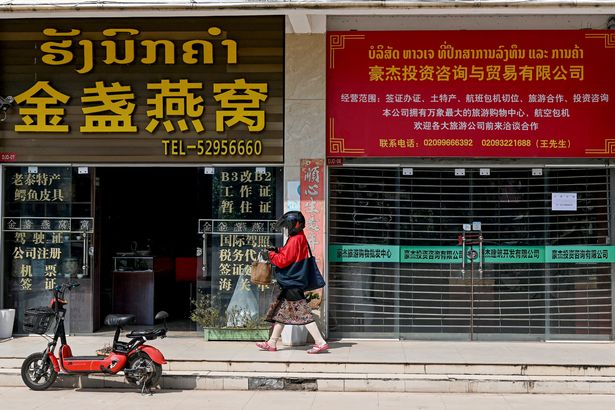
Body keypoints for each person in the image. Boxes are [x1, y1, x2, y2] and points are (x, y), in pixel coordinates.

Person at [256, 211, 329, 354]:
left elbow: (283, 261)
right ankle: (272, 342)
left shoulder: (295, 239)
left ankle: (320, 342)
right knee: (281, 313)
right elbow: (287, 253)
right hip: (293, 280)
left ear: (295, 224)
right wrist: (276, 250)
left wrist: (270, 255)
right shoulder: (298, 237)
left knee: (303, 313)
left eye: (288, 225)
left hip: (292, 281)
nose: (287, 228)